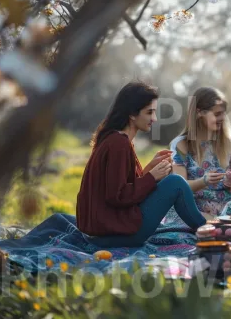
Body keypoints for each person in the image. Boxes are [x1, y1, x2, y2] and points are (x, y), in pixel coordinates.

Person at [76, 81, 206, 248]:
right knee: (176, 183)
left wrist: (150, 168)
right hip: (117, 233)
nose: (154, 119)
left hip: (108, 230)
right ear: (132, 113)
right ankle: (210, 231)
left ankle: (206, 228)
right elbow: (118, 196)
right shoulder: (118, 143)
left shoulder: (116, 139)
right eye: (149, 112)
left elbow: (122, 186)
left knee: (172, 182)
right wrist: (152, 177)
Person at [169, 87, 231, 219]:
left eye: (223, 113)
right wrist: (203, 181)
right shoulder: (181, 144)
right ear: (199, 112)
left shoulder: (230, 142)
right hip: (193, 209)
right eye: (217, 114)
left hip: (226, 208)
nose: (223, 118)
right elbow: (180, 187)